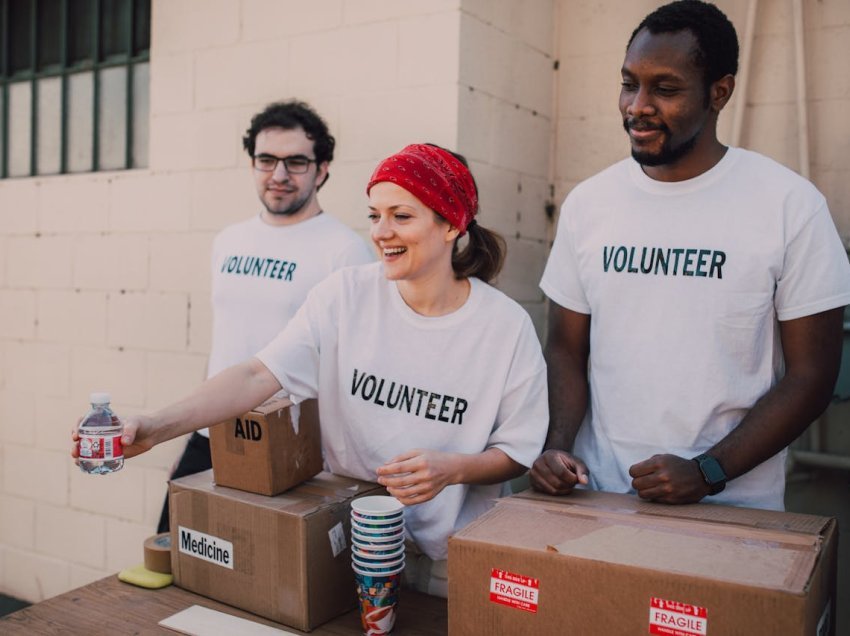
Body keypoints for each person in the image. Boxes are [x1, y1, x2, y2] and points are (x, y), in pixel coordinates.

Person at [76, 143, 548, 597]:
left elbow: (517, 451)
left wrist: (454, 469)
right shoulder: (344, 295)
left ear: (451, 226)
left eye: (401, 216)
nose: (381, 231)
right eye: (375, 215)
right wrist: (155, 427)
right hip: (345, 539)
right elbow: (258, 376)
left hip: (449, 560)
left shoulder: (505, 327)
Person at [530, 0, 850, 510]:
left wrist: (708, 472)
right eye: (629, 83)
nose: (637, 105)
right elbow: (567, 349)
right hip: (600, 496)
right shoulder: (589, 204)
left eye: (666, 88)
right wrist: (557, 447)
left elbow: (812, 377)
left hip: (733, 510)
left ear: (719, 92)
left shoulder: (790, 206)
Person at [157, 100, 373, 532]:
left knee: (260, 573)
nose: (278, 175)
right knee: (174, 549)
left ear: (322, 168)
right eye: (266, 160)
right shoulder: (229, 240)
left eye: (295, 162)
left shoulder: (346, 251)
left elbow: (355, 360)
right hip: (212, 429)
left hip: (289, 445)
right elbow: (227, 337)